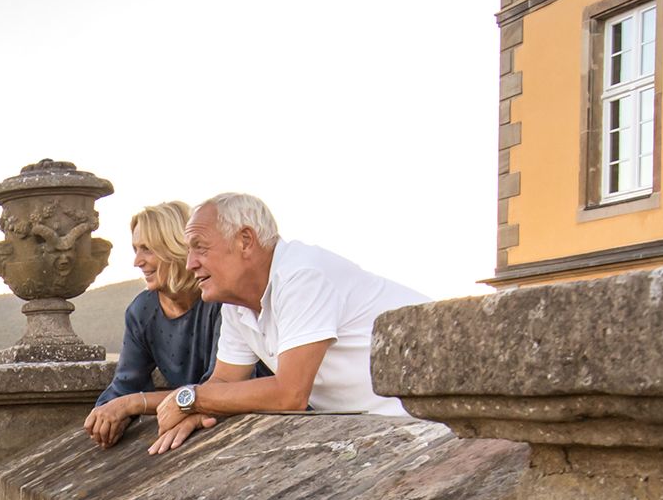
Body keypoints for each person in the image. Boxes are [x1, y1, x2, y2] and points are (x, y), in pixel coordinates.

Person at [149, 192, 428, 455]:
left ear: (245, 240)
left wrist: (191, 400)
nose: (190, 264)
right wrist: (195, 410)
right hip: (380, 433)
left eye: (200, 248)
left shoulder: (301, 274)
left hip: (428, 427)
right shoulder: (236, 305)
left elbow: (289, 394)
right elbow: (223, 381)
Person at [82, 201, 221, 448]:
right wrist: (106, 415)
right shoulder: (142, 311)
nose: (137, 261)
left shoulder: (217, 299)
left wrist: (134, 404)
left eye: (147, 249)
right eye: (135, 249)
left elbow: (218, 387)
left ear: (174, 248)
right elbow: (126, 384)